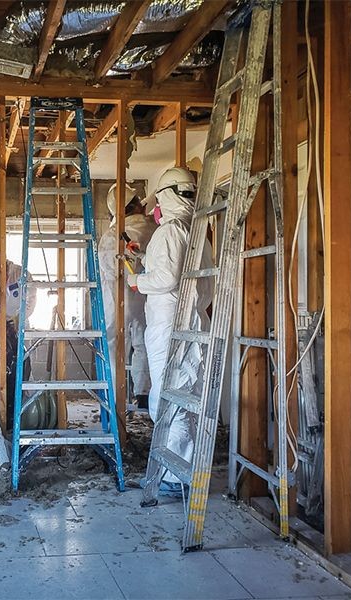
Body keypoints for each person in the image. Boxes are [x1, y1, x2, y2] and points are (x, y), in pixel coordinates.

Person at [126, 166, 213, 496]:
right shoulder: (195, 229)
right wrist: (146, 255)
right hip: (192, 323)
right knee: (186, 395)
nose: (154, 210)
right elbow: (178, 267)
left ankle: (175, 478)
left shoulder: (169, 230)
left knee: (167, 400)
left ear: (167, 196)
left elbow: (165, 279)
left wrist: (137, 280)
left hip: (169, 326)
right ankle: (183, 469)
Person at [98, 183, 156, 406]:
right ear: (138, 206)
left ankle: (114, 399)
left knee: (113, 345)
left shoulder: (112, 236)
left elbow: (107, 269)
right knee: (144, 342)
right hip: (145, 295)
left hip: (116, 297)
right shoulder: (153, 229)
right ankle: (143, 394)